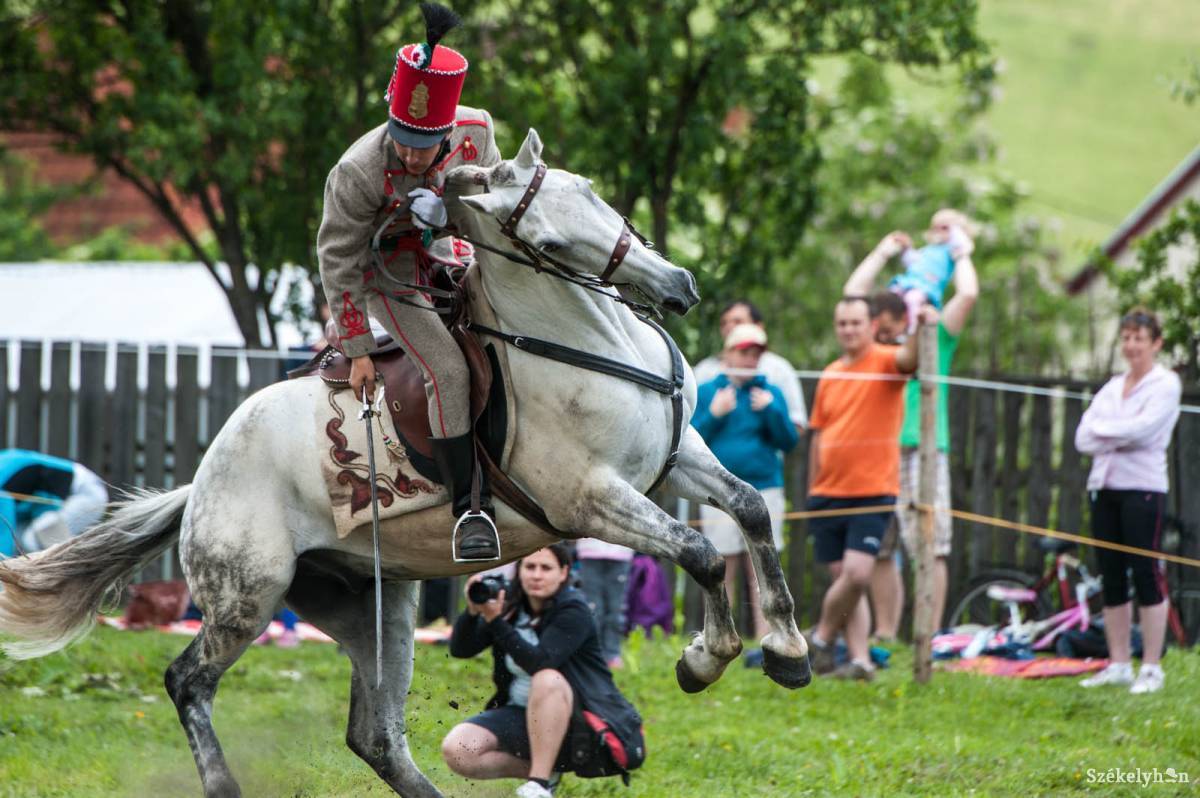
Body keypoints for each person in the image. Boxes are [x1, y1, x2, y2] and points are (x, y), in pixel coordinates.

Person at [317, 3, 505, 561]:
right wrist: (357, 349)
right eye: (401, 137)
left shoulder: (478, 131)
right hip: (388, 272)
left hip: (455, 251)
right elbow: (338, 258)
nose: (408, 152)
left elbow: (494, 205)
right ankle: (469, 509)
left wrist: (449, 215)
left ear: (448, 129)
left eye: (423, 143)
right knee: (447, 369)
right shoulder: (356, 171)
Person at [845, 223, 979, 639]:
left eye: (888, 326)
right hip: (877, 450)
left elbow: (968, 294)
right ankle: (886, 634)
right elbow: (852, 295)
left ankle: (930, 637)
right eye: (878, 327)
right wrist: (884, 250)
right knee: (880, 546)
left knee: (929, 544)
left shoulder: (936, 334)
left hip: (923, 448)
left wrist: (961, 253)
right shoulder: (878, 348)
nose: (881, 333)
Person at [441, 543, 645, 798]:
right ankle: (547, 773)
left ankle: (539, 785)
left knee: (546, 678)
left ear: (563, 572)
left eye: (546, 568)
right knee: (458, 750)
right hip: (520, 713)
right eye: (530, 567)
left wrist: (495, 622)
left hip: (578, 725)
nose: (536, 575)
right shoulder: (511, 605)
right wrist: (472, 613)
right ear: (519, 571)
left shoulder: (574, 610)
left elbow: (539, 661)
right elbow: (461, 650)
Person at [806, 298, 926, 680]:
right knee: (844, 581)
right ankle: (860, 660)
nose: (849, 329)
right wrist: (812, 489)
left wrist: (920, 324)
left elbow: (910, 359)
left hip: (873, 490)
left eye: (856, 322)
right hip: (827, 493)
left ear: (871, 325)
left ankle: (820, 638)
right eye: (842, 323)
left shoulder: (886, 361)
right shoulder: (830, 373)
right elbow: (818, 434)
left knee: (857, 574)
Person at [1074, 308, 1181, 695]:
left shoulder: (1165, 384)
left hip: (1143, 489)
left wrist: (1106, 433)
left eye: (1139, 338)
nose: (1132, 346)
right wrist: (1116, 433)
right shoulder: (1111, 387)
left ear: (1156, 343)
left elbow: (1145, 431)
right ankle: (1118, 662)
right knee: (1112, 575)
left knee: (1146, 573)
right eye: (1127, 338)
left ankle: (1151, 667)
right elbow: (1083, 438)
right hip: (1104, 487)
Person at [691, 323, 800, 648]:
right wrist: (714, 413)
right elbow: (690, 439)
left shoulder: (771, 393)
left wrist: (771, 411)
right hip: (718, 491)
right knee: (721, 563)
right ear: (727, 354)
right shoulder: (708, 391)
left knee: (762, 565)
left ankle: (764, 636)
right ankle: (722, 633)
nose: (750, 359)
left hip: (765, 488)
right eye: (744, 352)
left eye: (756, 353)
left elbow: (789, 441)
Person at [693, 300, 808, 432]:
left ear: (759, 326)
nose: (729, 327)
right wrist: (713, 415)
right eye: (724, 323)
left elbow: (796, 425)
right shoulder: (704, 370)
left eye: (738, 321)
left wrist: (772, 412)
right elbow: (688, 427)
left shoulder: (780, 369)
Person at [0, 449, 108, 557]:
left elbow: (4, 532)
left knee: (32, 540)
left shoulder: (2, 487)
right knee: (22, 539)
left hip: (85, 493)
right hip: (57, 501)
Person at [886, 209, 976, 333]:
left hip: (926, 286)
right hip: (908, 282)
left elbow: (964, 246)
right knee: (890, 299)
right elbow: (912, 260)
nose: (939, 232)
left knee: (912, 300)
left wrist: (958, 233)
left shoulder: (952, 251)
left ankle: (911, 331)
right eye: (935, 228)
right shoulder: (928, 249)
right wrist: (906, 247)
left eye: (945, 228)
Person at [574, 538, 634, 669]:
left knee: (616, 610)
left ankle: (612, 654)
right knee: (593, 610)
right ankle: (593, 652)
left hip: (621, 553)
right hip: (589, 552)